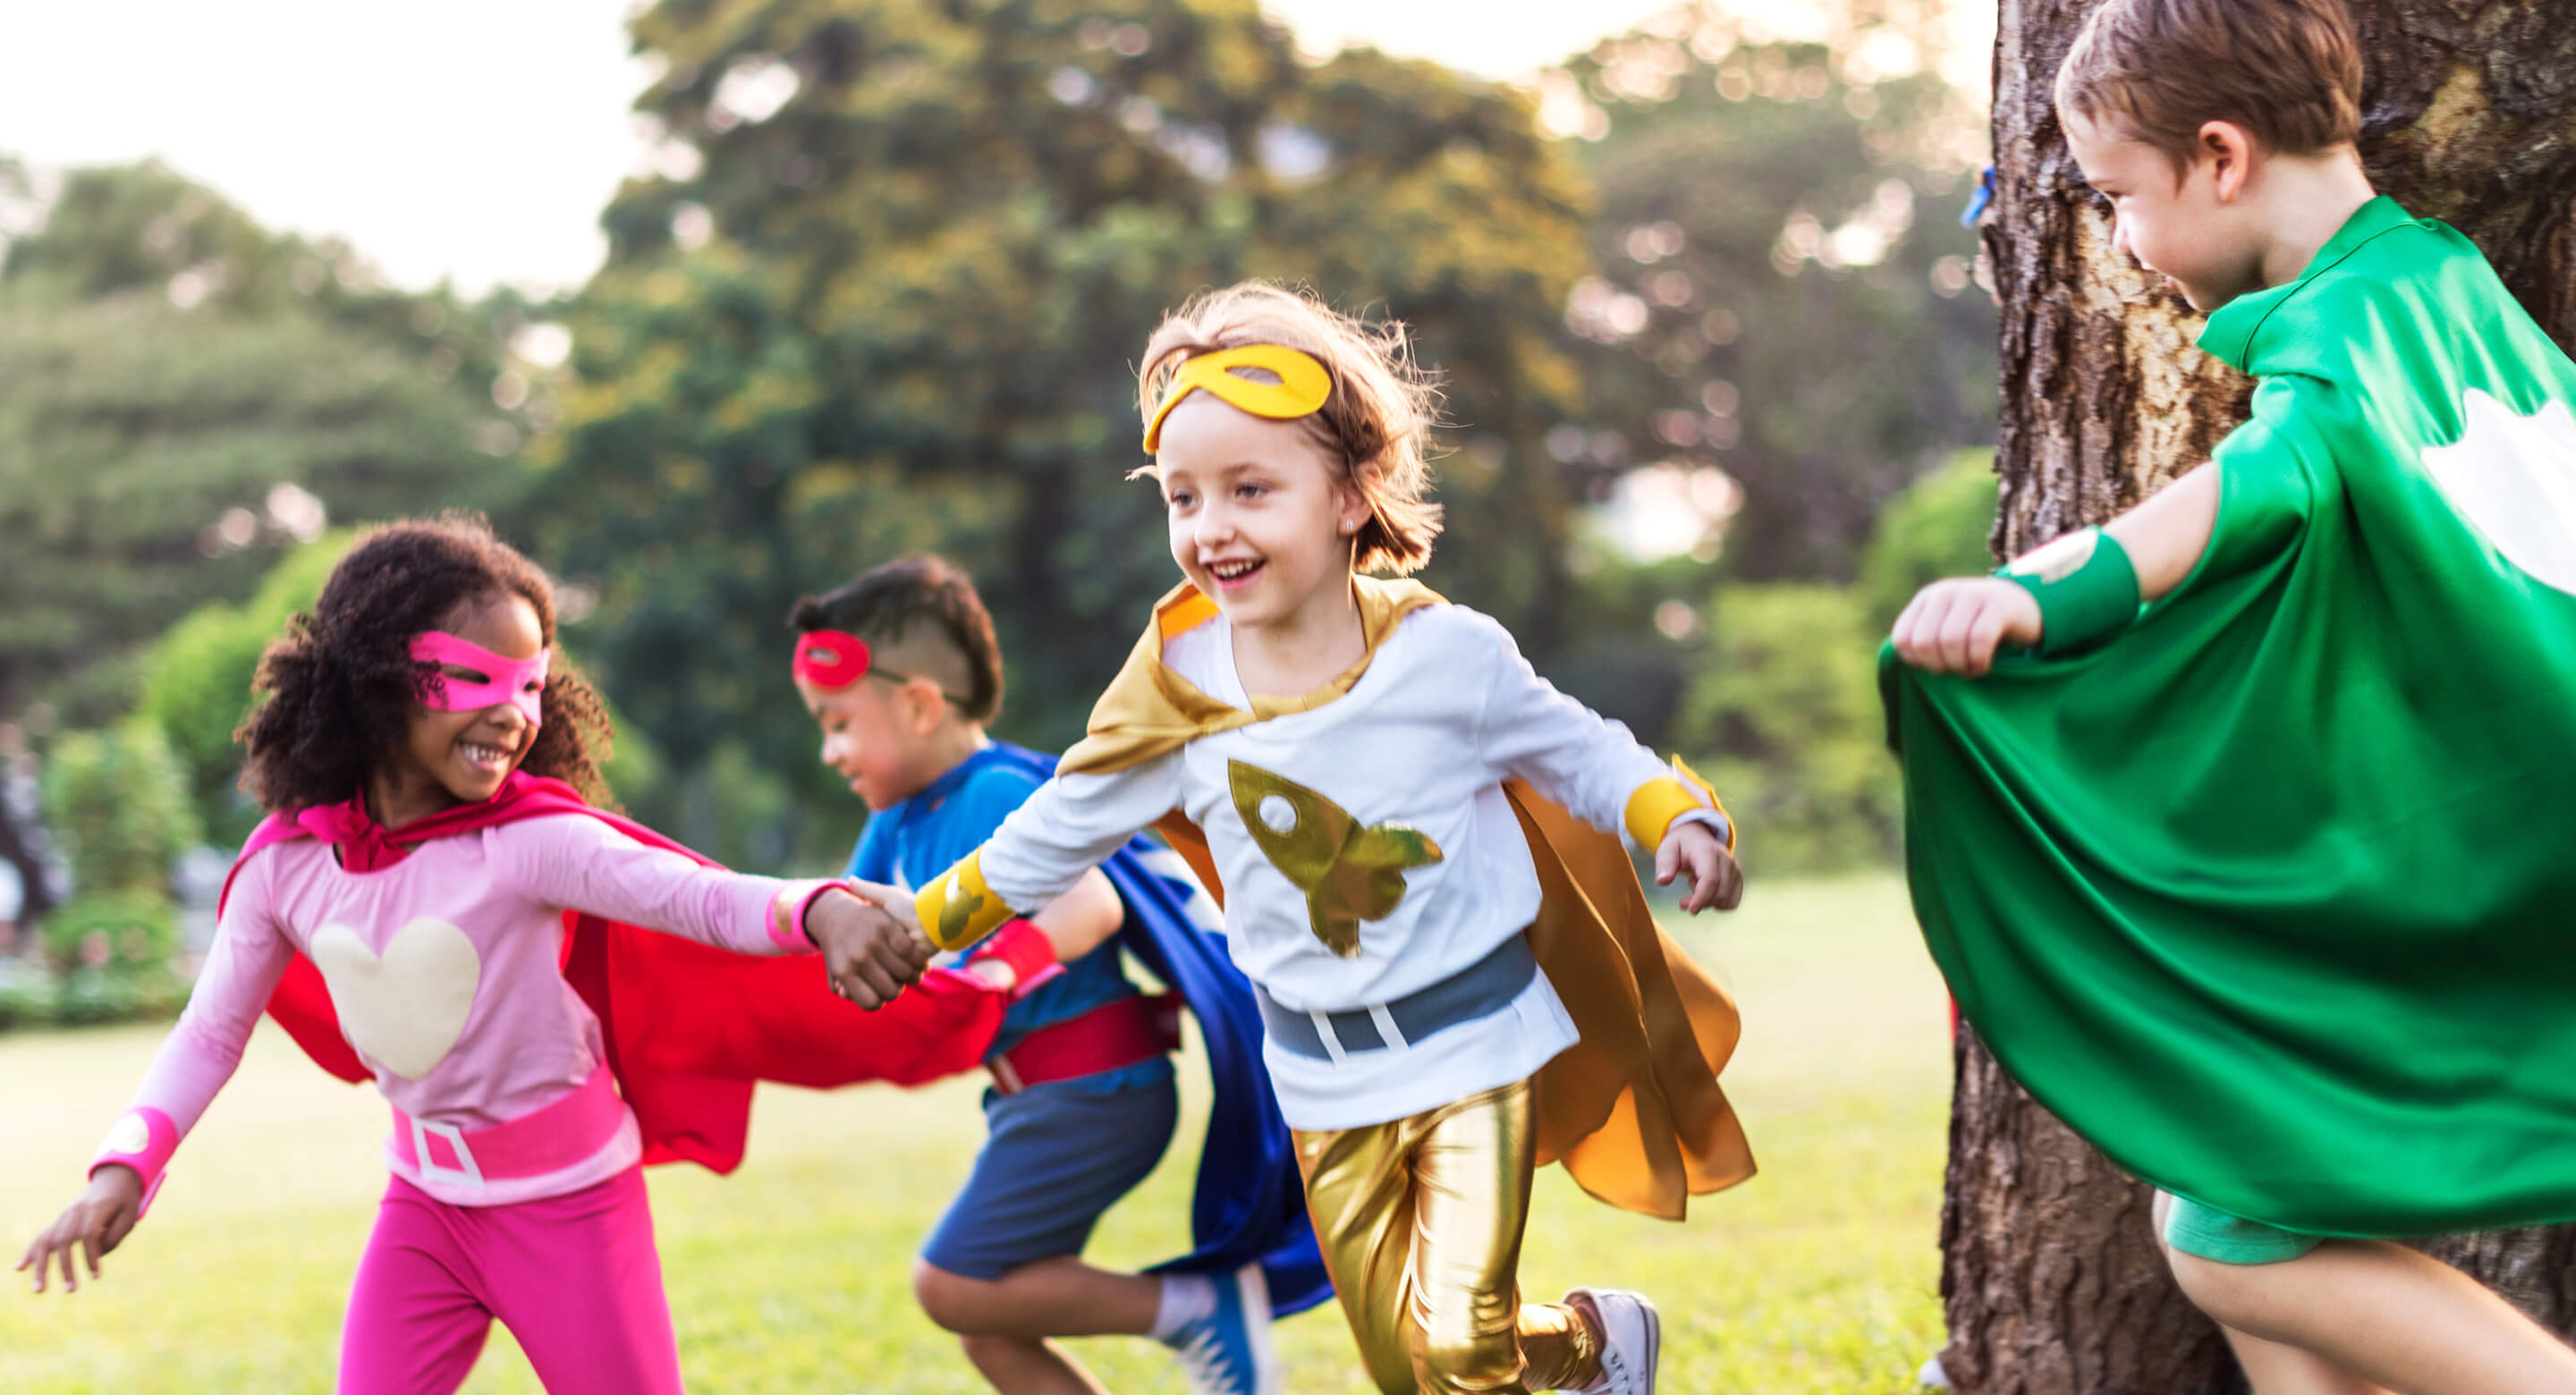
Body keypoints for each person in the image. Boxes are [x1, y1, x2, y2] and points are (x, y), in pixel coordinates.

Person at [852, 283, 1756, 1395]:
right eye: (1183, 498)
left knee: (1462, 1347)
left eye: (1249, 489)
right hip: (1323, 1082)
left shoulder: (1447, 656)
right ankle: (1590, 1343)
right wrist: (917, 920)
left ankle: (1571, 1348)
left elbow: (1582, 750)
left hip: (1475, 1048)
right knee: (1405, 1365)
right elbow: (1051, 835)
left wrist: (1677, 815)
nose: (1211, 527)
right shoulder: (1172, 700)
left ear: (1348, 496)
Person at [1885, 2, 2576, 1390]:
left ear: (2219, 157)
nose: (2126, 244)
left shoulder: (2333, 354)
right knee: (2231, 1209)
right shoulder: (2440, 282)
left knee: (2229, 1247)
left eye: (2120, 198)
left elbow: (2244, 494)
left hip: (2516, 848)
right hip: (2528, 808)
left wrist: (2036, 594)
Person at [13, 515, 968, 1395]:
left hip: (574, 1209)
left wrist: (822, 910)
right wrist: (125, 1167)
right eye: (476, 678)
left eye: (530, 685)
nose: (512, 711)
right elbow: (211, 1031)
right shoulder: (286, 868)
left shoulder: (529, 842)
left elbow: (695, 897)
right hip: (423, 1211)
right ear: (378, 672)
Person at [787, 554, 1327, 1395]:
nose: (829, 751)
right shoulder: (895, 823)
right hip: (1038, 1100)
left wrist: (997, 972)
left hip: (1095, 1091)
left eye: (838, 723)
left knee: (951, 1286)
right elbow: (843, 930)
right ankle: (1195, 1307)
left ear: (922, 705)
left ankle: (1197, 1305)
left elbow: (1091, 904)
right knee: (992, 1327)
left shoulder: (994, 790)